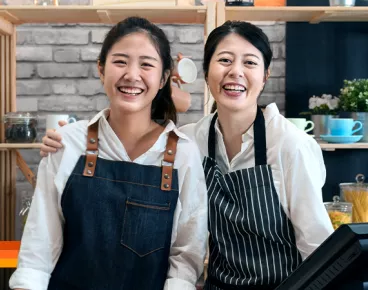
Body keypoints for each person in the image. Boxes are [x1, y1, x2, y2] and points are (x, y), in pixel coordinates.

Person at [39, 20, 334, 289]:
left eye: (250, 62)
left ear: (265, 75)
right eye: (225, 60)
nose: (236, 72)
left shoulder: (290, 145)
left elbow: (317, 247)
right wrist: (69, 141)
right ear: (206, 73)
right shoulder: (192, 140)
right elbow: (129, 139)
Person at [10, 16, 208, 290]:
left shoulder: (183, 154)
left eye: (146, 64)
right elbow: (38, 250)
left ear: (164, 78)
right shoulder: (67, 143)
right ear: (101, 69)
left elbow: (186, 258)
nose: (132, 74)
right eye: (120, 61)